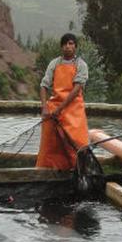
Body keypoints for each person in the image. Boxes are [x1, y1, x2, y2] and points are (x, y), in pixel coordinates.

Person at [36, 33, 89, 170]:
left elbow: (77, 89)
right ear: (61, 47)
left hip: (73, 108)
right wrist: (44, 107)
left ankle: (78, 168)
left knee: (77, 141)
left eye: (71, 43)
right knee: (50, 142)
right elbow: (44, 85)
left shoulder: (81, 65)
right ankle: (48, 168)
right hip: (55, 105)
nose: (68, 46)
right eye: (65, 44)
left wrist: (61, 108)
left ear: (75, 47)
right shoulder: (54, 63)